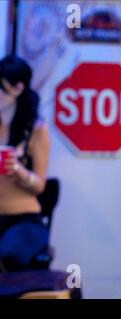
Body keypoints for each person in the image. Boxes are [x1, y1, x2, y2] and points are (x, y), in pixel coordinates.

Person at [0, 55, 50, 272]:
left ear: (18, 88)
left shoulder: (36, 130)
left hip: (23, 218)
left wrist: (19, 171)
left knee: (10, 254)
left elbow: (40, 185)